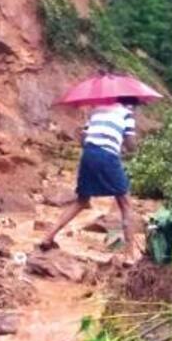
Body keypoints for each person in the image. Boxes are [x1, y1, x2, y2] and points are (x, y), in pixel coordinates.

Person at [38, 97, 140, 256]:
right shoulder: (127, 114)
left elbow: (83, 139)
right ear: (130, 104)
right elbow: (131, 146)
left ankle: (48, 236)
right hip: (108, 156)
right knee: (125, 203)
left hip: (88, 155)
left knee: (82, 201)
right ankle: (130, 255)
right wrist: (127, 143)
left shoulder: (97, 110)